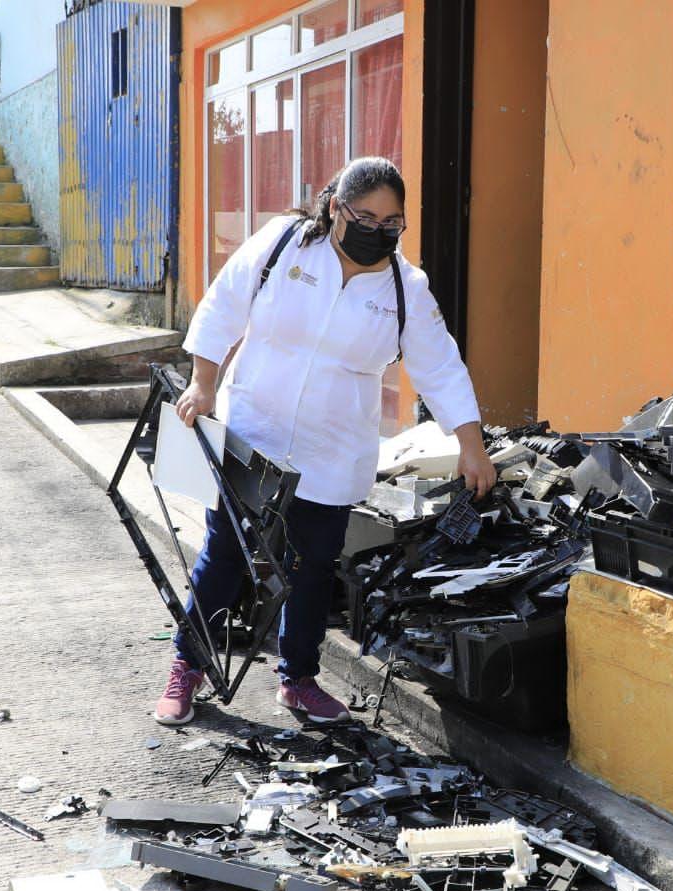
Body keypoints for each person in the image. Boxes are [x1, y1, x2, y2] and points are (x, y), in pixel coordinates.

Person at [154, 156, 496, 727]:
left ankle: (299, 680)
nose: (377, 232)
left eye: (392, 224)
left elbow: (441, 365)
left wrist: (471, 442)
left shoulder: (404, 288)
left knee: (312, 567)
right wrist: (204, 384)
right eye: (366, 217)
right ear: (336, 207)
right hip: (256, 432)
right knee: (226, 556)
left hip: (333, 448)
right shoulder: (283, 246)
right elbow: (223, 305)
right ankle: (186, 667)